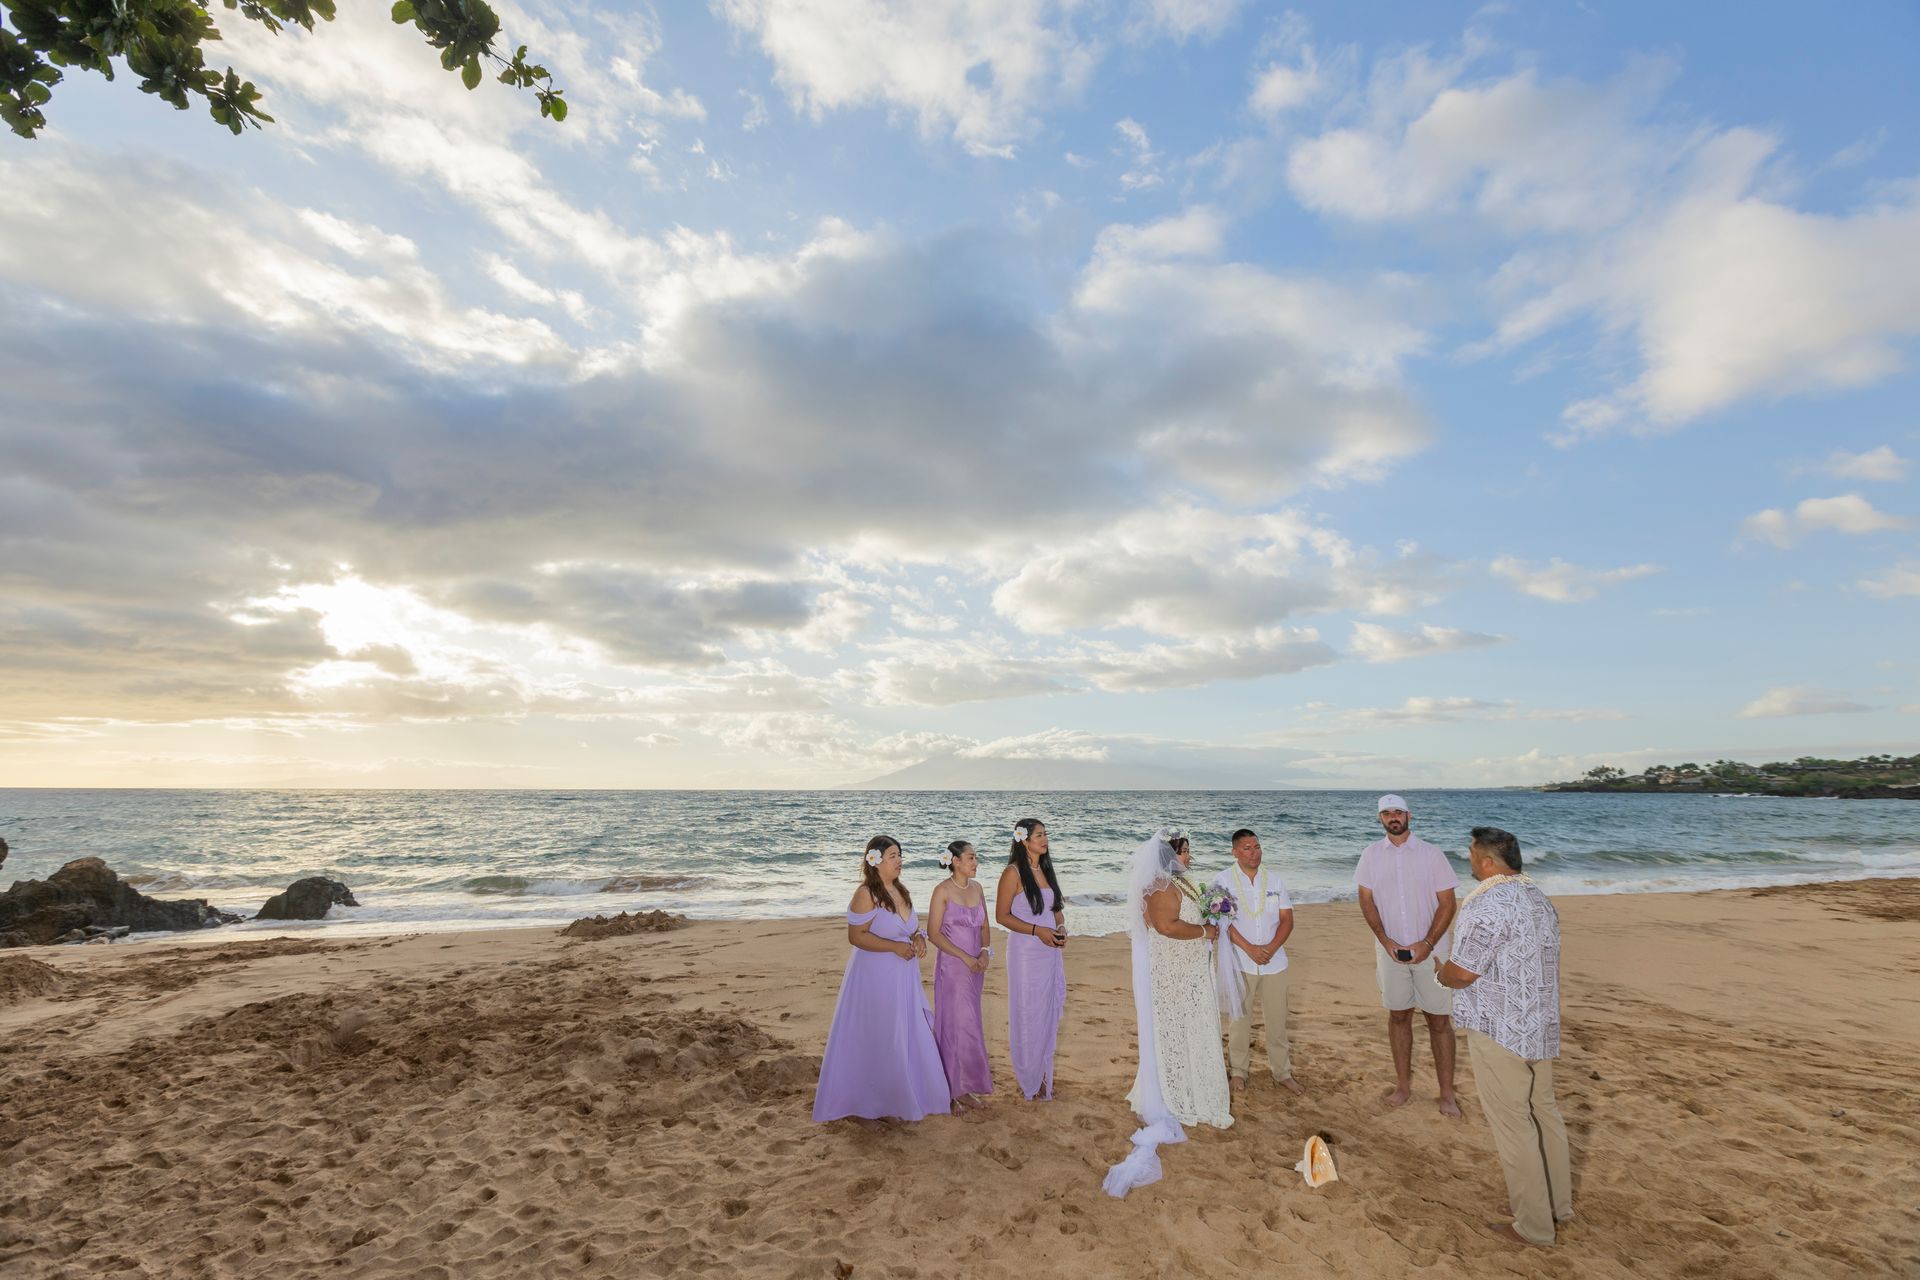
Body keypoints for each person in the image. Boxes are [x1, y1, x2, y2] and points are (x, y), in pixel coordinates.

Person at [1437, 826, 1573, 1247]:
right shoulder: (1538, 899)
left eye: (1472, 855)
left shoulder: (1489, 903)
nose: (1469, 861)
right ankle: (1557, 1207)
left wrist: (1440, 973)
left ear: (1489, 862)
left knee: (1514, 1124)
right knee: (1544, 1113)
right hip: (1540, 1023)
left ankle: (1533, 1226)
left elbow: (1463, 973)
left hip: (1501, 1029)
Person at [1103, 827, 1232, 1198]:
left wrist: (1215, 915)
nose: (1189, 857)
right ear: (1169, 856)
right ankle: (1177, 1095)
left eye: (1189, 852)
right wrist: (1206, 931)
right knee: (1176, 1030)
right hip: (1173, 972)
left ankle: (1197, 1087)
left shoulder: (1185, 884)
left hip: (1190, 968)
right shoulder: (1159, 888)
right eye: (1184, 852)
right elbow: (1166, 926)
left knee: (1196, 1027)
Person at [812, 835, 953, 1123]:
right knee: (883, 1033)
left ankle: (905, 1094)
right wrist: (894, 947)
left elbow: (911, 928)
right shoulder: (866, 894)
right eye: (892, 855)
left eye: (899, 854)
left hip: (904, 976)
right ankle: (876, 1101)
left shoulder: (901, 890)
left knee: (906, 1030)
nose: (899, 860)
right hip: (875, 976)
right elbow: (856, 936)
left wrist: (918, 939)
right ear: (874, 860)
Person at [1355, 793, 1462, 1117]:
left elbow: (1448, 903)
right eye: (1386, 813)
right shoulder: (1371, 855)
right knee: (1398, 1015)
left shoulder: (1432, 855)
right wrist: (1386, 941)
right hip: (1389, 950)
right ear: (1380, 819)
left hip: (1432, 952)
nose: (1393, 818)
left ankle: (1447, 1095)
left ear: (1409, 816)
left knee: (1439, 1020)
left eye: (1398, 812)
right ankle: (1403, 1087)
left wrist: (1427, 944)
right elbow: (1366, 901)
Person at [1212, 827, 1302, 1096]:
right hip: (1241, 962)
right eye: (1248, 848)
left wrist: (1271, 948)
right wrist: (1250, 949)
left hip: (1275, 963)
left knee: (1277, 1021)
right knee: (1240, 1021)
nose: (1255, 852)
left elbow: (1287, 920)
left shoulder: (1274, 881)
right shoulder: (1223, 881)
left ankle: (1282, 1072)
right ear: (1235, 852)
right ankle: (1238, 1072)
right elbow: (1221, 923)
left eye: (1258, 846)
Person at [995, 818, 1066, 1100]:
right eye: (1039, 835)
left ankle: (1043, 1072)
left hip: (1049, 949)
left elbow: (1056, 908)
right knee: (1027, 1012)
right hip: (1026, 952)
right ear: (1023, 839)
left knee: (1047, 1010)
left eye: (1046, 834)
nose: (1044, 839)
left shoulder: (1046, 870)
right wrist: (1038, 931)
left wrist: (1060, 928)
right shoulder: (1013, 873)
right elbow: (1002, 916)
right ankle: (1029, 1078)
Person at [928, 840, 993, 1109]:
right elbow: (933, 934)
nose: (975, 862)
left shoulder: (977, 889)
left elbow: (985, 926)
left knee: (970, 1025)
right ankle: (950, 1089)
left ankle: (965, 1085)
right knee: (954, 1025)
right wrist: (965, 956)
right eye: (970, 858)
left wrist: (986, 951)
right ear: (955, 861)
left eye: (975, 857)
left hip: (976, 968)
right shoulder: (942, 891)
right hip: (953, 968)